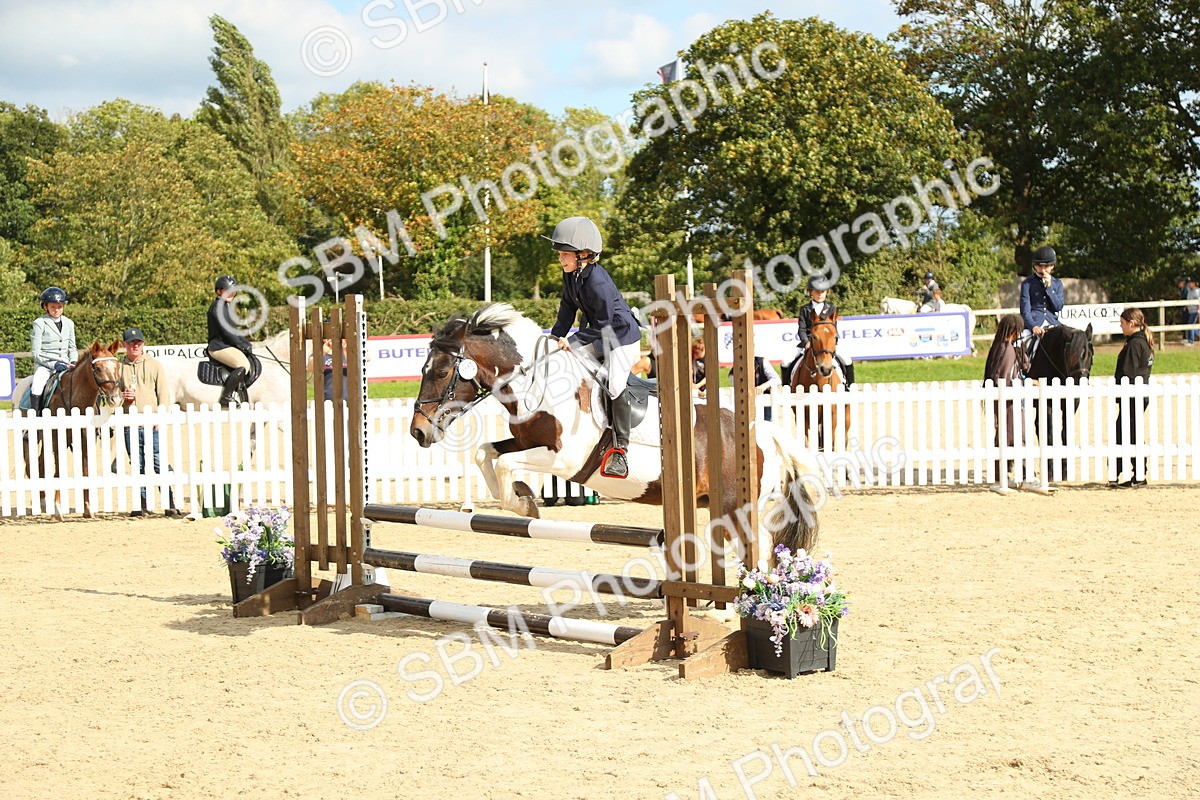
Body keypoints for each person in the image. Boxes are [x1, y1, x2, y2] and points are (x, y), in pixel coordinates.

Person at [546, 216, 642, 479]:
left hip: (621, 338)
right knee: (569, 364)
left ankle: (620, 450)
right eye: (560, 254)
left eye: (565, 254)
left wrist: (573, 341)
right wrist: (555, 337)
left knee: (614, 385)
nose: (560, 258)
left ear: (584, 254)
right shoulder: (572, 275)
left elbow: (604, 323)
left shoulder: (597, 281)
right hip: (600, 335)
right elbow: (567, 309)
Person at [118, 328, 180, 517]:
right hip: (130, 423)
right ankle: (141, 504)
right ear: (124, 345)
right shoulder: (119, 368)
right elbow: (112, 398)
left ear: (143, 344)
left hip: (152, 422)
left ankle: (169, 503)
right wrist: (124, 398)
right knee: (137, 464)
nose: (135, 345)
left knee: (158, 461)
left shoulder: (154, 365)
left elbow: (163, 394)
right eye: (131, 343)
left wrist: (160, 417)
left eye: (138, 342)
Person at [983, 314, 1033, 492]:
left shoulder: (1000, 347)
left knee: (1004, 437)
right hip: (1011, 401)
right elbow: (1005, 377)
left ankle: (1001, 475)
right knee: (1018, 437)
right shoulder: (1007, 350)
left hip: (1006, 400)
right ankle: (1026, 475)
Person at [781, 276, 854, 386]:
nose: (820, 294)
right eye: (816, 291)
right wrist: (806, 343)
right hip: (808, 344)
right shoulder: (805, 309)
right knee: (786, 361)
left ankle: (850, 386)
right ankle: (786, 387)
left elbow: (834, 331)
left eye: (822, 291)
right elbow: (802, 329)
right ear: (810, 292)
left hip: (827, 345)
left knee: (847, 359)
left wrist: (834, 343)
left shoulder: (832, 309)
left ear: (827, 292)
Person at [1112, 308, 1154, 488]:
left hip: (1132, 396)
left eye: (1122, 323)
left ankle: (1136, 473)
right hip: (1138, 395)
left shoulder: (1135, 344)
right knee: (1131, 432)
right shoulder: (1142, 342)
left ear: (1131, 323)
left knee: (1128, 434)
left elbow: (1127, 373)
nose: (1121, 326)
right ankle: (1134, 472)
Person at [207, 275, 253, 408]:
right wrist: (241, 345)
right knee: (243, 365)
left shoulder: (227, 306)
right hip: (218, 347)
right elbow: (227, 332)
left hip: (226, 345)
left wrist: (246, 343)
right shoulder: (217, 307)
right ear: (218, 291)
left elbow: (234, 331)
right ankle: (225, 397)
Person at [29, 286, 77, 409]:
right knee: (37, 385)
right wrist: (53, 364)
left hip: (66, 364)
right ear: (45, 306)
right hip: (46, 366)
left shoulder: (69, 323)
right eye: (53, 307)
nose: (56, 310)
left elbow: (72, 347)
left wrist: (74, 361)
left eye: (59, 306)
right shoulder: (39, 323)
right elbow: (36, 353)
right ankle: (35, 415)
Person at [1019, 246, 1065, 347]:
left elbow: (1058, 307)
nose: (1043, 269)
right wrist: (1033, 326)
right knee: (1019, 345)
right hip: (1034, 324)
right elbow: (1025, 310)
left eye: (1046, 266)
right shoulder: (1027, 284)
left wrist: (1049, 288)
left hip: (1052, 323)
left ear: (1052, 266)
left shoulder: (1057, 283)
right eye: (1040, 266)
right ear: (1035, 266)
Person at [1184, 277, 1199, 346]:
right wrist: (1186, 306)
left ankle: (1191, 341)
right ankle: (1190, 339)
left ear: (1194, 283)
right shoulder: (1190, 291)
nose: (1189, 284)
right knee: (1191, 325)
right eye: (1189, 283)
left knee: (1191, 324)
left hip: (1195, 311)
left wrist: (1199, 310)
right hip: (1190, 311)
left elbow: (1199, 300)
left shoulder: (1197, 291)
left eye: (1191, 283)